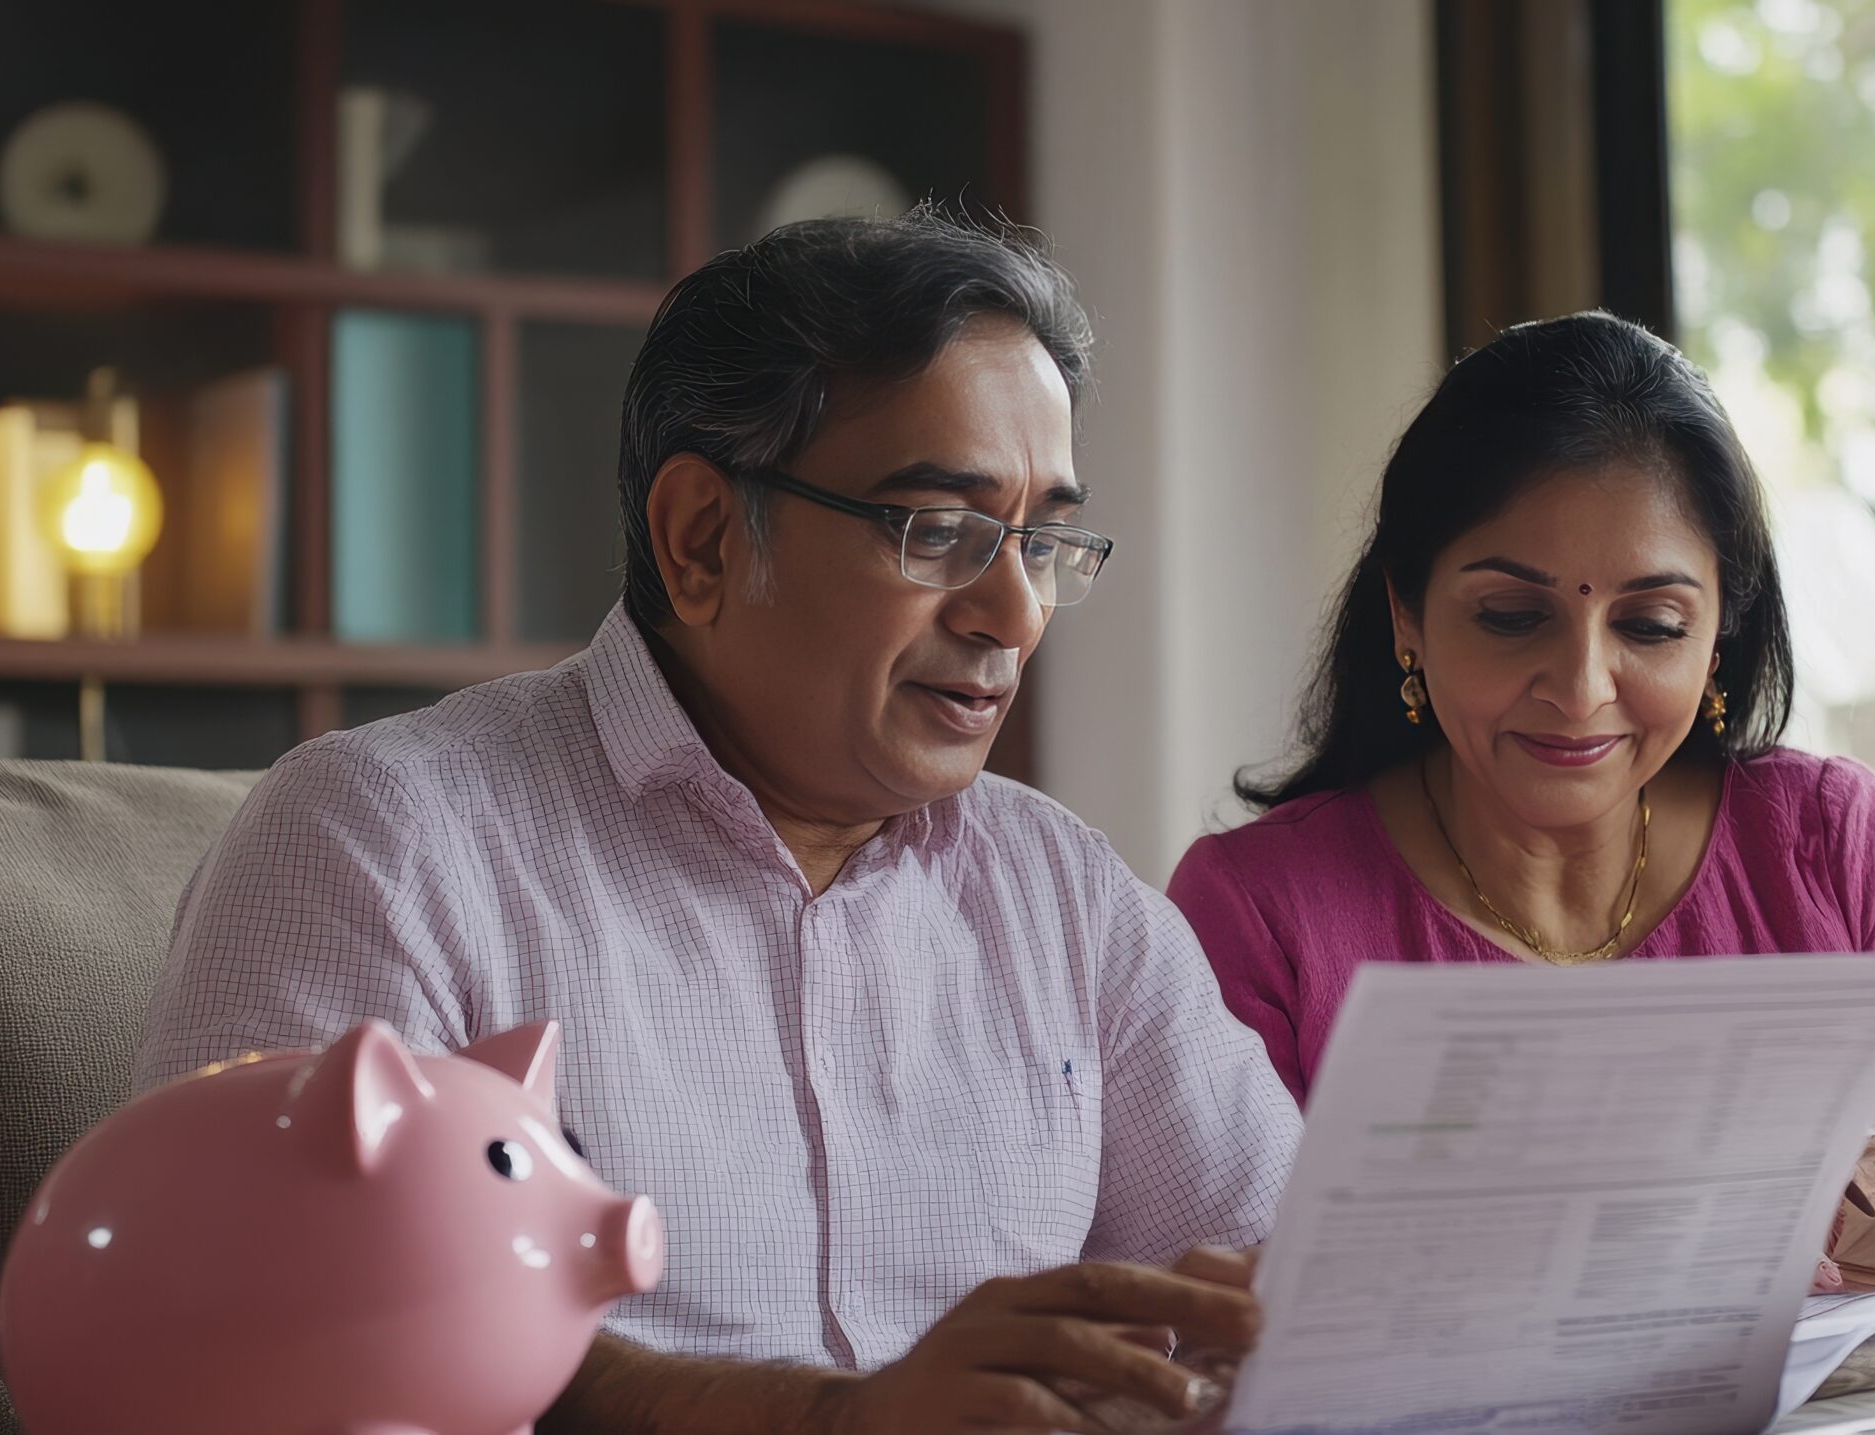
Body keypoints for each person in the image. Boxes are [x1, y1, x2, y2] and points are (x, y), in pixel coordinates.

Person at [137, 209, 1298, 1434]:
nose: (1014, 611)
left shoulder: (1065, 894)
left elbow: (1295, 1286)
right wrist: (840, 1418)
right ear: (699, 539)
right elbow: (275, 1339)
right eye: (940, 531)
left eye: (1042, 541)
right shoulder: (380, 841)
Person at [1168, 311, 1875, 1162]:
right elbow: (1215, 1292)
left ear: (1720, 638)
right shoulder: (1260, 912)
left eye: (1653, 626)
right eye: (1513, 616)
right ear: (1407, 611)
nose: (1581, 687)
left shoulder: (1832, 848)